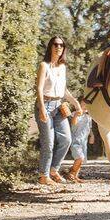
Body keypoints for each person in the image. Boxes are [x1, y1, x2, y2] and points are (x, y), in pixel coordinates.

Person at [35, 36, 80, 186]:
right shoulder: (44, 65)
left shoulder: (62, 67)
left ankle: (54, 170)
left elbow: (64, 90)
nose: (58, 47)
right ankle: (44, 176)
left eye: (61, 45)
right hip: (46, 106)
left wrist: (76, 103)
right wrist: (41, 108)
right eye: (55, 44)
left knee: (66, 140)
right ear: (50, 47)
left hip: (59, 107)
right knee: (49, 143)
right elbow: (39, 89)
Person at [67, 97, 95, 183]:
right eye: (83, 104)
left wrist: (92, 136)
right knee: (80, 158)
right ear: (78, 104)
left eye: (87, 104)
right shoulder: (74, 114)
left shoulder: (88, 117)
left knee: (80, 161)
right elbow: (73, 123)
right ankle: (70, 173)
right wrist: (76, 115)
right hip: (75, 140)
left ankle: (75, 176)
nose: (85, 106)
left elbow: (89, 128)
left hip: (84, 141)